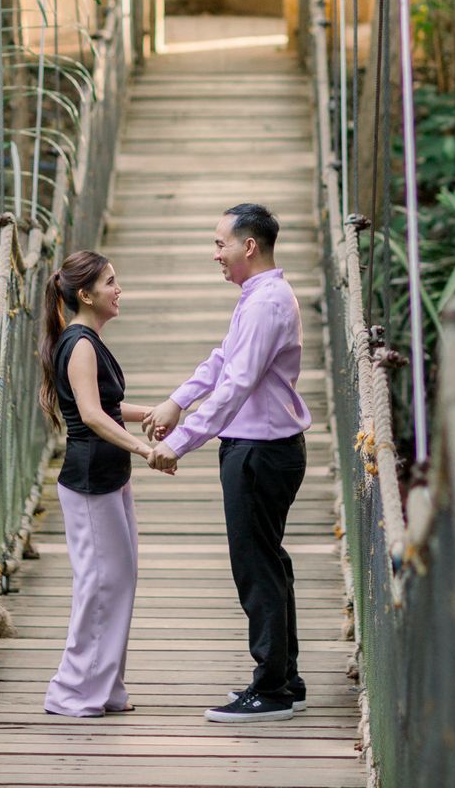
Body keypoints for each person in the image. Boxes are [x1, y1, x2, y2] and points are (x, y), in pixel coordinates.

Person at [143, 203, 312, 723]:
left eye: (221, 244)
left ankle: (272, 690)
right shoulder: (259, 296)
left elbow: (236, 384)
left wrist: (180, 442)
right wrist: (177, 400)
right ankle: (285, 677)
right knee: (268, 560)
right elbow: (223, 359)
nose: (215, 254)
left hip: (259, 452)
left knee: (256, 566)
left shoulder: (266, 303)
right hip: (264, 449)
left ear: (248, 246)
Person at [40, 250, 177, 719]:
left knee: (119, 580)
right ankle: (71, 692)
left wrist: (157, 412)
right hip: (89, 483)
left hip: (109, 478)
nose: (119, 290)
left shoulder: (89, 340)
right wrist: (144, 449)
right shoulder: (79, 344)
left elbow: (108, 407)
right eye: (110, 283)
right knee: (100, 584)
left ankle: (104, 686)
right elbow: (92, 417)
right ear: (85, 295)